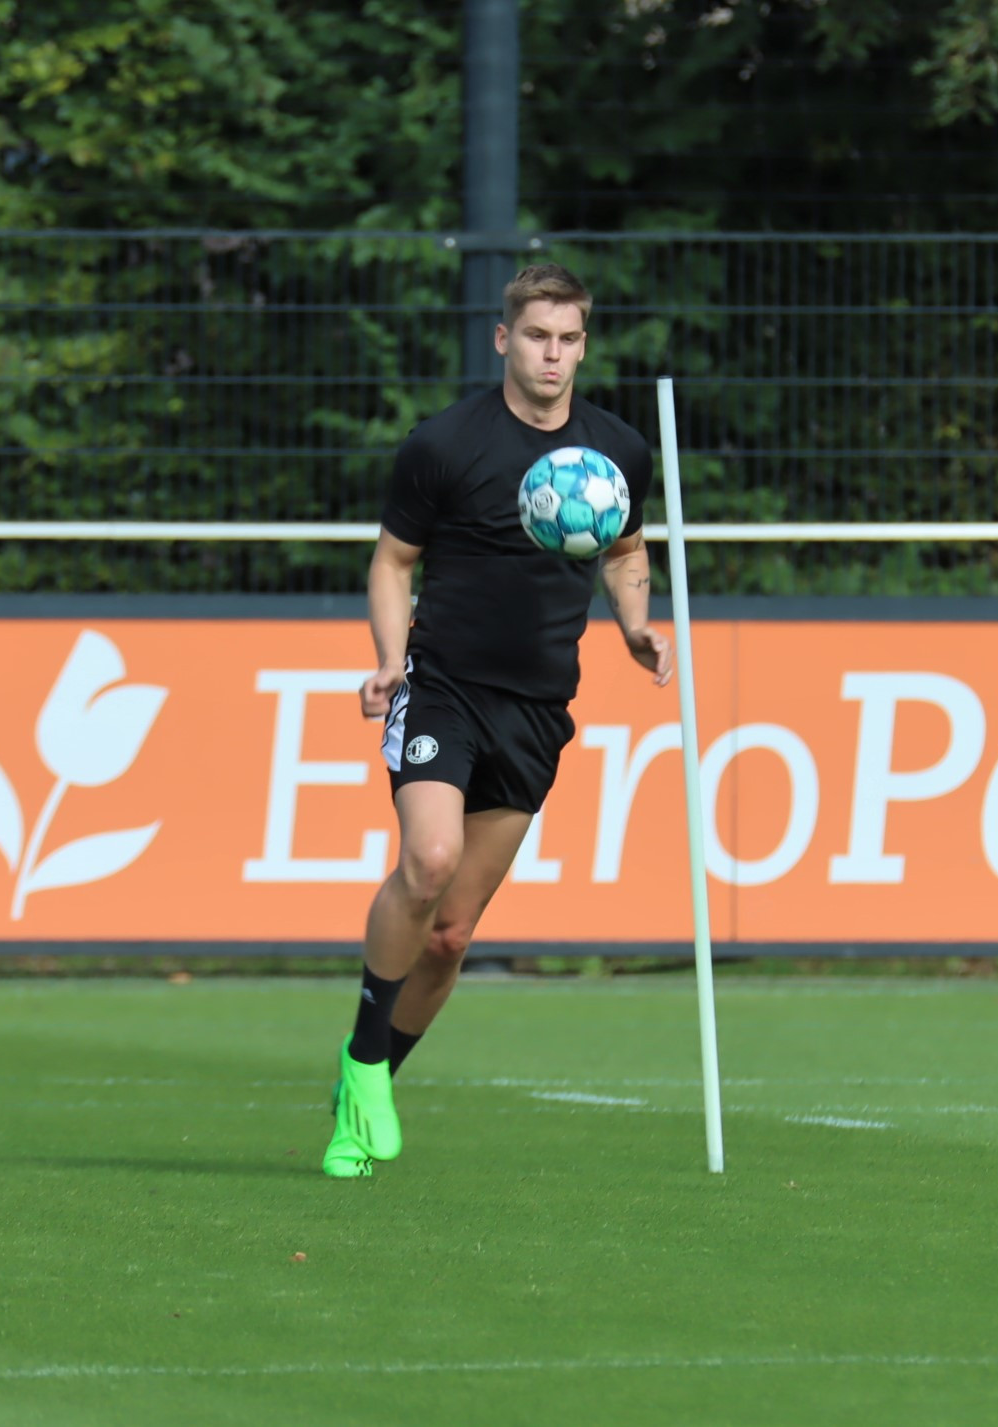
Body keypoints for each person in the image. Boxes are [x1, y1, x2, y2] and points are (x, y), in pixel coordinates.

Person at [322, 264, 674, 1178]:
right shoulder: (444, 444)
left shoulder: (618, 454)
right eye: (536, 337)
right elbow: (393, 562)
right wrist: (391, 661)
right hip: (442, 684)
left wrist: (636, 623)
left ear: (584, 346)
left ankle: (369, 1090)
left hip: (536, 709)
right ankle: (362, 1065)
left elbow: (627, 546)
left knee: (451, 935)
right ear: (503, 339)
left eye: (568, 339)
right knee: (427, 860)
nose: (551, 355)